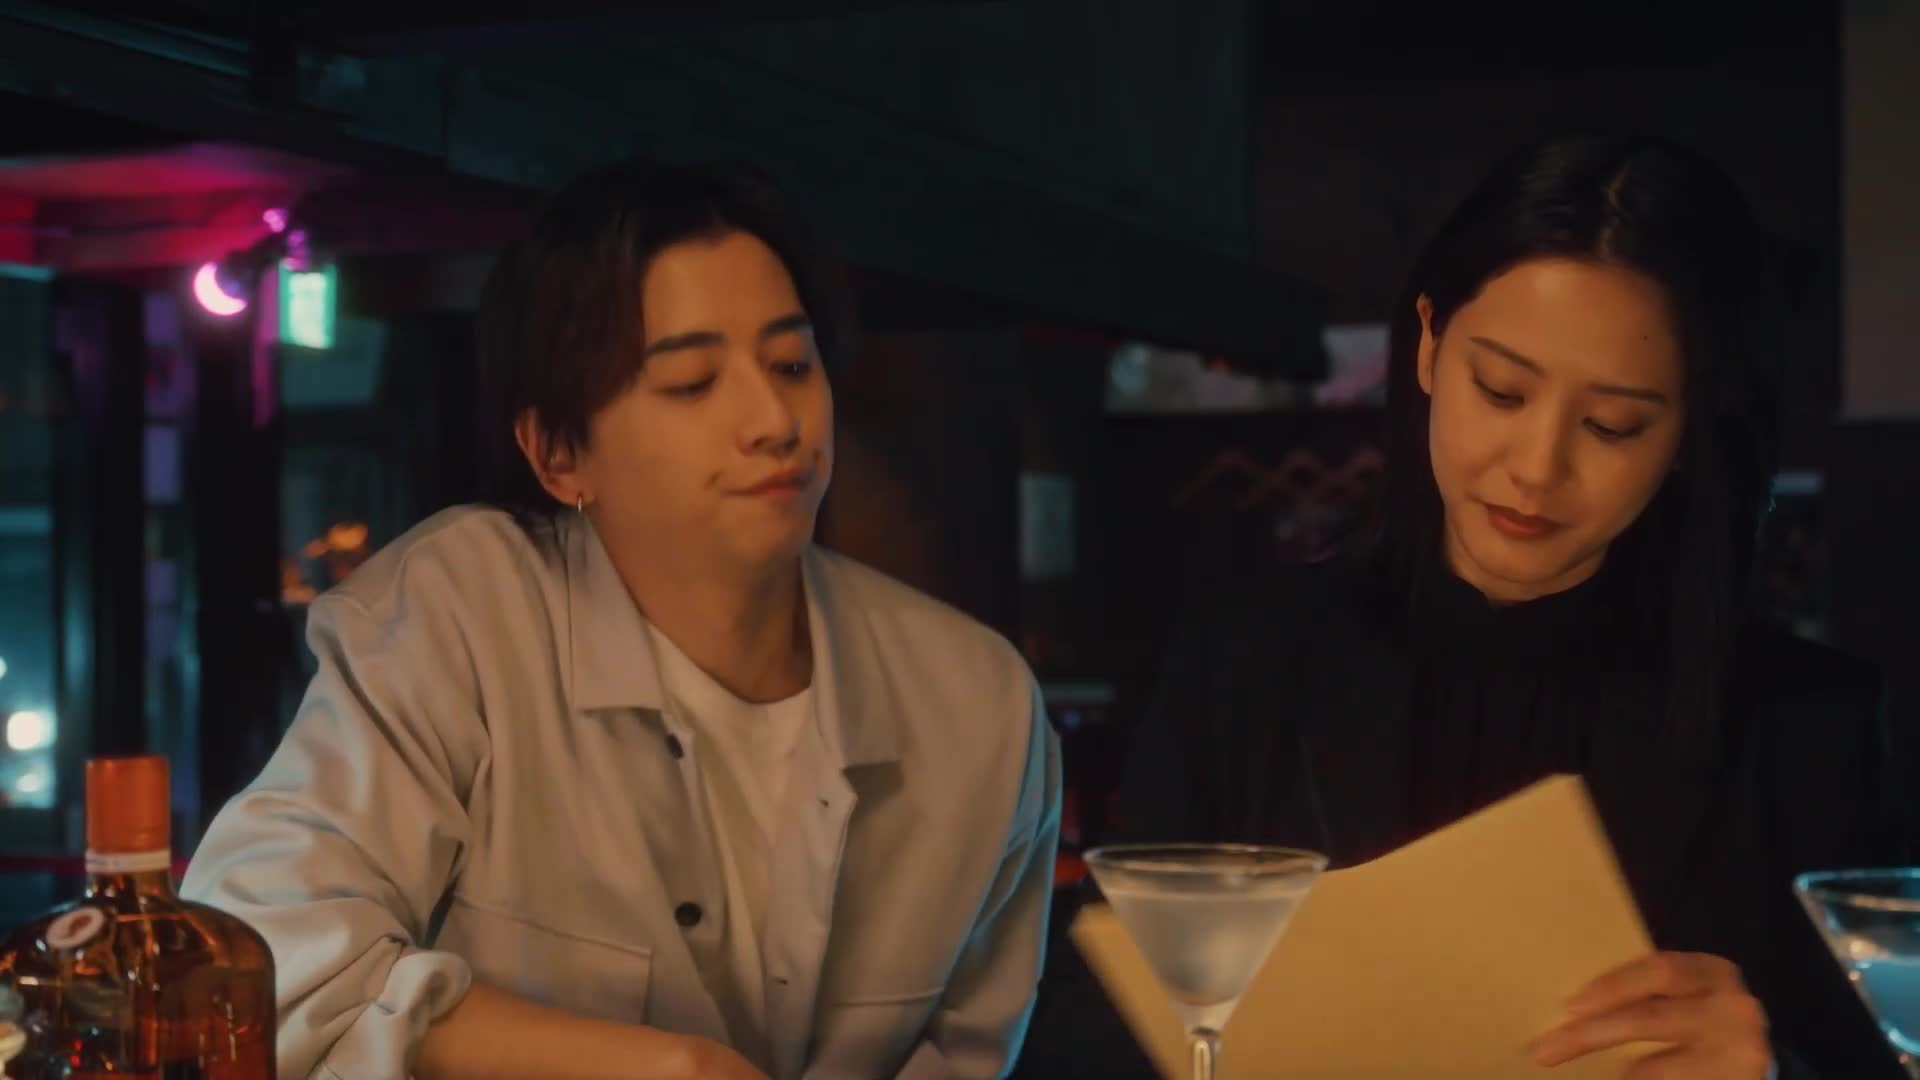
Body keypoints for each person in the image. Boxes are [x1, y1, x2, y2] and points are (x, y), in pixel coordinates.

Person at [182, 161, 1061, 1080]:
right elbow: (249, 966)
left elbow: (965, 1054)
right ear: (559, 455)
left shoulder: (980, 707)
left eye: (792, 365)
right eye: (691, 381)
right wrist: (663, 1068)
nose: (774, 420)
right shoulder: (463, 616)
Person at [1099, 134, 1907, 1079]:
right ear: (1429, 346)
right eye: (1501, 389)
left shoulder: (1810, 733)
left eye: (1612, 424)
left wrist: (1773, 1075)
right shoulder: (1245, 662)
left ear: (1690, 432)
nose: (1536, 467)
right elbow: (1098, 1028)